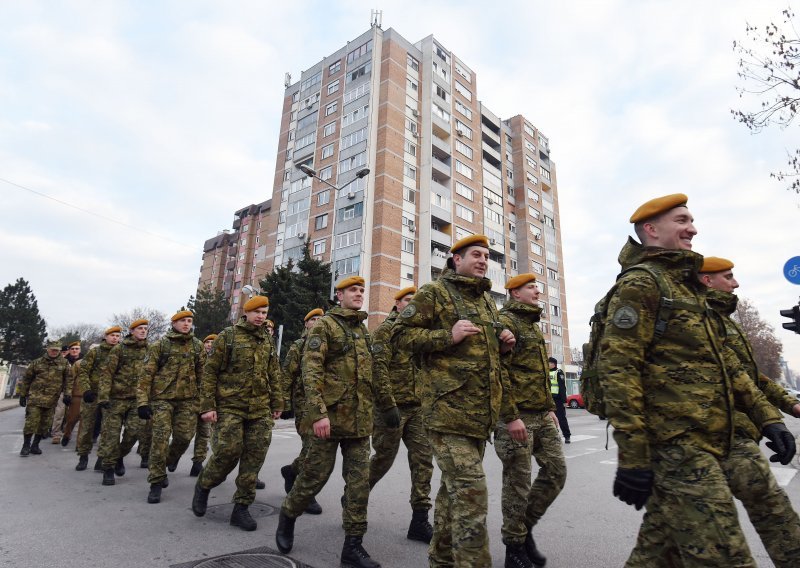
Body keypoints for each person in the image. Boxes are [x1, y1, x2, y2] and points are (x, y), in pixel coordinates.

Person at [598, 193, 795, 567]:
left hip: (716, 436)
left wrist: (769, 420)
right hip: (678, 443)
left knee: (658, 551)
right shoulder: (642, 284)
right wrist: (633, 455)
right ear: (652, 230)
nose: (693, 228)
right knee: (725, 555)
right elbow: (619, 371)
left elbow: (729, 366)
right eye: (682, 221)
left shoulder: (689, 289)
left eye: (691, 220)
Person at [392, 235, 516, 568]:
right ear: (455, 259)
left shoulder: (487, 300)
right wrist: (448, 335)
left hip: (478, 418)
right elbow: (400, 336)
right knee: (472, 498)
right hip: (447, 415)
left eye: (487, 256)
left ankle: (440, 560)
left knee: (453, 496)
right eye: (476, 254)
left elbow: (489, 359)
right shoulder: (435, 293)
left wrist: (503, 343)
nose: (483, 260)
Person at [276, 276, 397, 568]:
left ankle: (352, 547)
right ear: (339, 295)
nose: (359, 294)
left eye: (361, 290)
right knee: (313, 477)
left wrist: (387, 405)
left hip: (359, 422)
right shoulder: (325, 326)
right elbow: (311, 370)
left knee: (358, 486)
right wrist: (318, 413)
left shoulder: (363, 332)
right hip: (328, 421)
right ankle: (288, 515)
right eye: (353, 290)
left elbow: (373, 374)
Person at [699, 256, 800, 567]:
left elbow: (751, 377)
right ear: (707, 280)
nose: (736, 283)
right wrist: (771, 419)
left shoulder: (724, 321)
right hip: (722, 432)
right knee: (772, 511)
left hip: (733, 429)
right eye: (728, 276)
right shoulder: (699, 320)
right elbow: (737, 378)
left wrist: (790, 405)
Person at [192, 295, 284, 531]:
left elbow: (273, 372)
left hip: (260, 409)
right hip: (230, 406)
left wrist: (278, 401)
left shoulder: (266, 339)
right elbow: (210, 372)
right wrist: (208, 406)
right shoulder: (229, 336)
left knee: (254, 459)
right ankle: (204, 485)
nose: (261, 317)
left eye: (264, 313)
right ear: (247, 312)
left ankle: (241, 508)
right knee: (227, 453)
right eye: (257, 312)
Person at [495, 274, 565, 568]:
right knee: (518, 482)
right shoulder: (506, 323)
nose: (538, 290)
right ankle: (514, 549)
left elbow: (537, 375)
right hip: (517, 416)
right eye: (531, 287)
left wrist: (550, 407)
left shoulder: (533, 326)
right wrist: (510, 416)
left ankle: (524, 531)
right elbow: (498, 374)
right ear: (514, 293)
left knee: (557, 471)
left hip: (540, 414)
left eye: (537, 286)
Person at [368, 286, 434, 544]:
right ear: (396, 304)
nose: (410, 305)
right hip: (391, 408)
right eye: (406, 300)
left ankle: (419, 521)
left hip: (417, 408)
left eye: (414, 301)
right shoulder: (385, 332)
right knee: (383, 459)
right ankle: (355, 497)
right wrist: (387, 404)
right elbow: (378, 370)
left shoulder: (419, 334)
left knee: (423, 461)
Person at [137, 310, 204, 504]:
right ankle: (156, 482)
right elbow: (146, 375)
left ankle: (170, 460)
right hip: (162, 399)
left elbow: (204, 376)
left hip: (188, 399)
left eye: (189, 321)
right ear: (174, 323)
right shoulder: (160, 345)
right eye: (183, 321)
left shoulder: (197, 346)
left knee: (184, 436)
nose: (186, 324)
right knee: (160, 439)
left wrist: (204, 402)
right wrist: (142, 402)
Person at [278, 308, 324, 515]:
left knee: (317, 449)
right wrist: (284, 404)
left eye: (320, 319)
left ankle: (291, 471)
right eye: (312, 319)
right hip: (304, 403)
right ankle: (306, 494)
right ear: (305, 324)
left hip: (324, 404)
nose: (316, 322)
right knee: (312, 447)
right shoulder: (299, 346)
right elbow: (287, 375)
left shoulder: (328, 344)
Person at [96, 319, 149, 486]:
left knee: (134, 432)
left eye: (145, 329)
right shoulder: (120, 349)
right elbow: (107, 374)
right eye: (139, 328)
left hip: (137, 400)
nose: (143, 331)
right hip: (116, 399)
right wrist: (103, 397)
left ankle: (118, 456)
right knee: (111, 435)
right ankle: (109, 468)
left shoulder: (150, 350)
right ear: (132, 331)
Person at [75, 329, 120, 471]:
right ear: (106, 337)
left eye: (118, 336)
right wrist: (86, 390)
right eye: (112, 335)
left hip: (110, 396)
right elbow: (83, 372)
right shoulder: (95, 352)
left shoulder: (121, 352)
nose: (115, 338)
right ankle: (83, 456)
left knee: (108, 429)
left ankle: (101, 458)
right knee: (87, 427)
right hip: (93, 395)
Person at [17, 341, 71, 456]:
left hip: (52, 400)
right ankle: (26, 445)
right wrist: (23, 395)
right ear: (47, 349)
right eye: (52, 349)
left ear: (59, 351)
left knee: (44, 424)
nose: (54, 352)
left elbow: (68, 380)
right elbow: (27, 379)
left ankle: (35, 445)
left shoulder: (64, 363)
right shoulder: (37, 362)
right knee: (31, 422)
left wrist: (67, 394)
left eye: (56, 350)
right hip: (35, 398)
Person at [189, 334, 217, 477]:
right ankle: (172, 457)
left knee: (204, 433)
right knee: (187, 432)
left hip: (207, 402)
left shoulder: (218, 359)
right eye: (207, 342)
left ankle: (198, 463)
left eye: (213, 342)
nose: (209, 345)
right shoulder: (196, 356)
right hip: (192, 400)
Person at [50, 341, 81, 444]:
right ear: (69, 351)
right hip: (63, 390)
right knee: (59, 412)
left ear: (79, 350)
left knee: (73, 416)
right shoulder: (63, 361)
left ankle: (68, 433)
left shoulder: (85, 361)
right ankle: (56, 434)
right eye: (72, 349)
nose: (74, 351)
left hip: (77, 392)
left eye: (76, 349)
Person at [547, 357, 570, 443]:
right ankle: (554, 436)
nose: (547, 364)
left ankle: (567, 436)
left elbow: (562, 387)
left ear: (553, 364)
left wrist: (564, 401)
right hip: (549, 399)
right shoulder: (546, 372)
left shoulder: (558, 372)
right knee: (550, 419)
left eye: (548, 363)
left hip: (558, 400)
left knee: (561, 418)